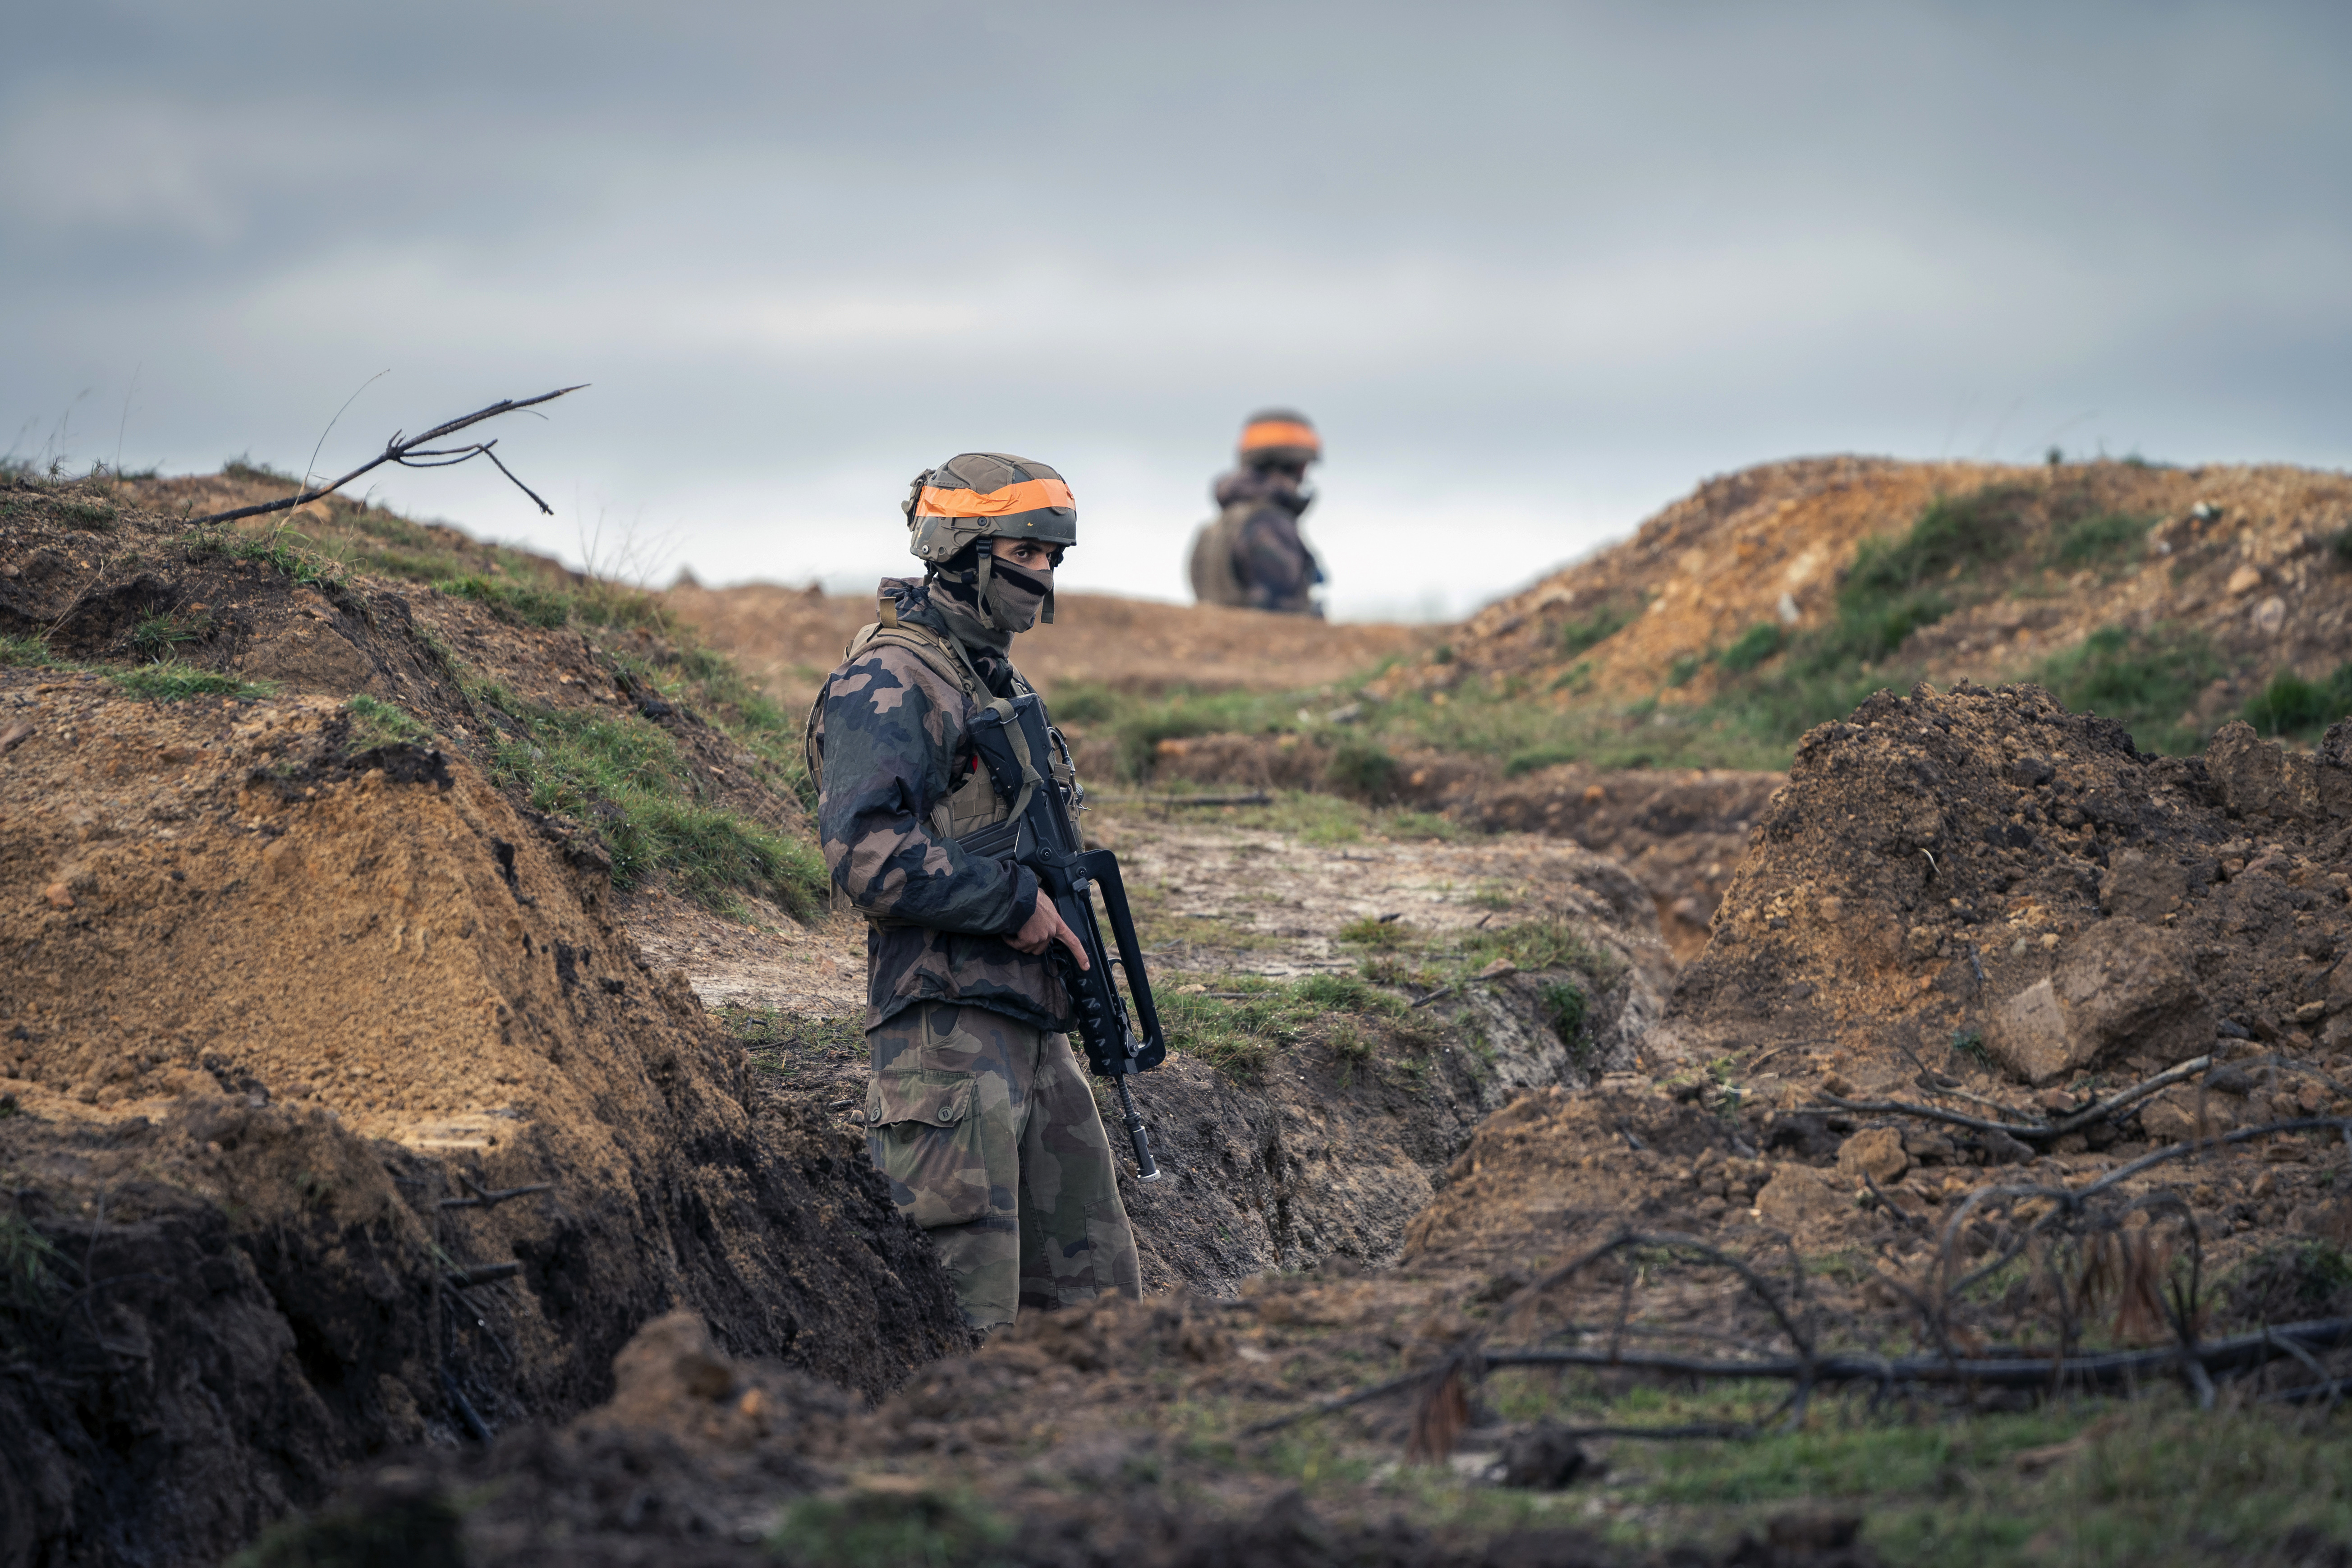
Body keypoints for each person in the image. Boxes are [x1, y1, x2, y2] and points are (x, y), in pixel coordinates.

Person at [804, 451, 1143, 1332]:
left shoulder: (987, 677)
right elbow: (868, 855)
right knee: (968, 1331)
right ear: (959, 547)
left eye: (1052, 558)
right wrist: (1011, 903)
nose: (1042, 576)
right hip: (945, 1044)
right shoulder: (891, 678)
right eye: (1026, 552)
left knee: (1101, 1324)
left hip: (1031, 1034)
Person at [1187, 408, 1326, 616]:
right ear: (1296, 466)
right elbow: (1281, 617)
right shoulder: (1270, 525)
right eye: (1304, 465)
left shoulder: (1213, 529)